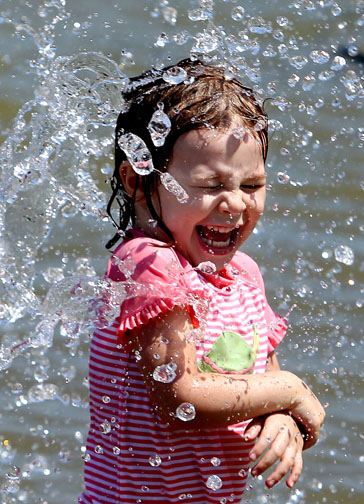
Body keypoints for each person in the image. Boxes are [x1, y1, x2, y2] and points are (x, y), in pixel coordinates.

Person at [79, 58, 325, 504]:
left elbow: (259, 391)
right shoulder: (147, 262)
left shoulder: (245, 276)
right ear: (137, 181)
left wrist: (285, 421)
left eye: (251, 185)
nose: (233, 205)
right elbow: (180, 399)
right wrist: (291, 390)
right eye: (210, 185)